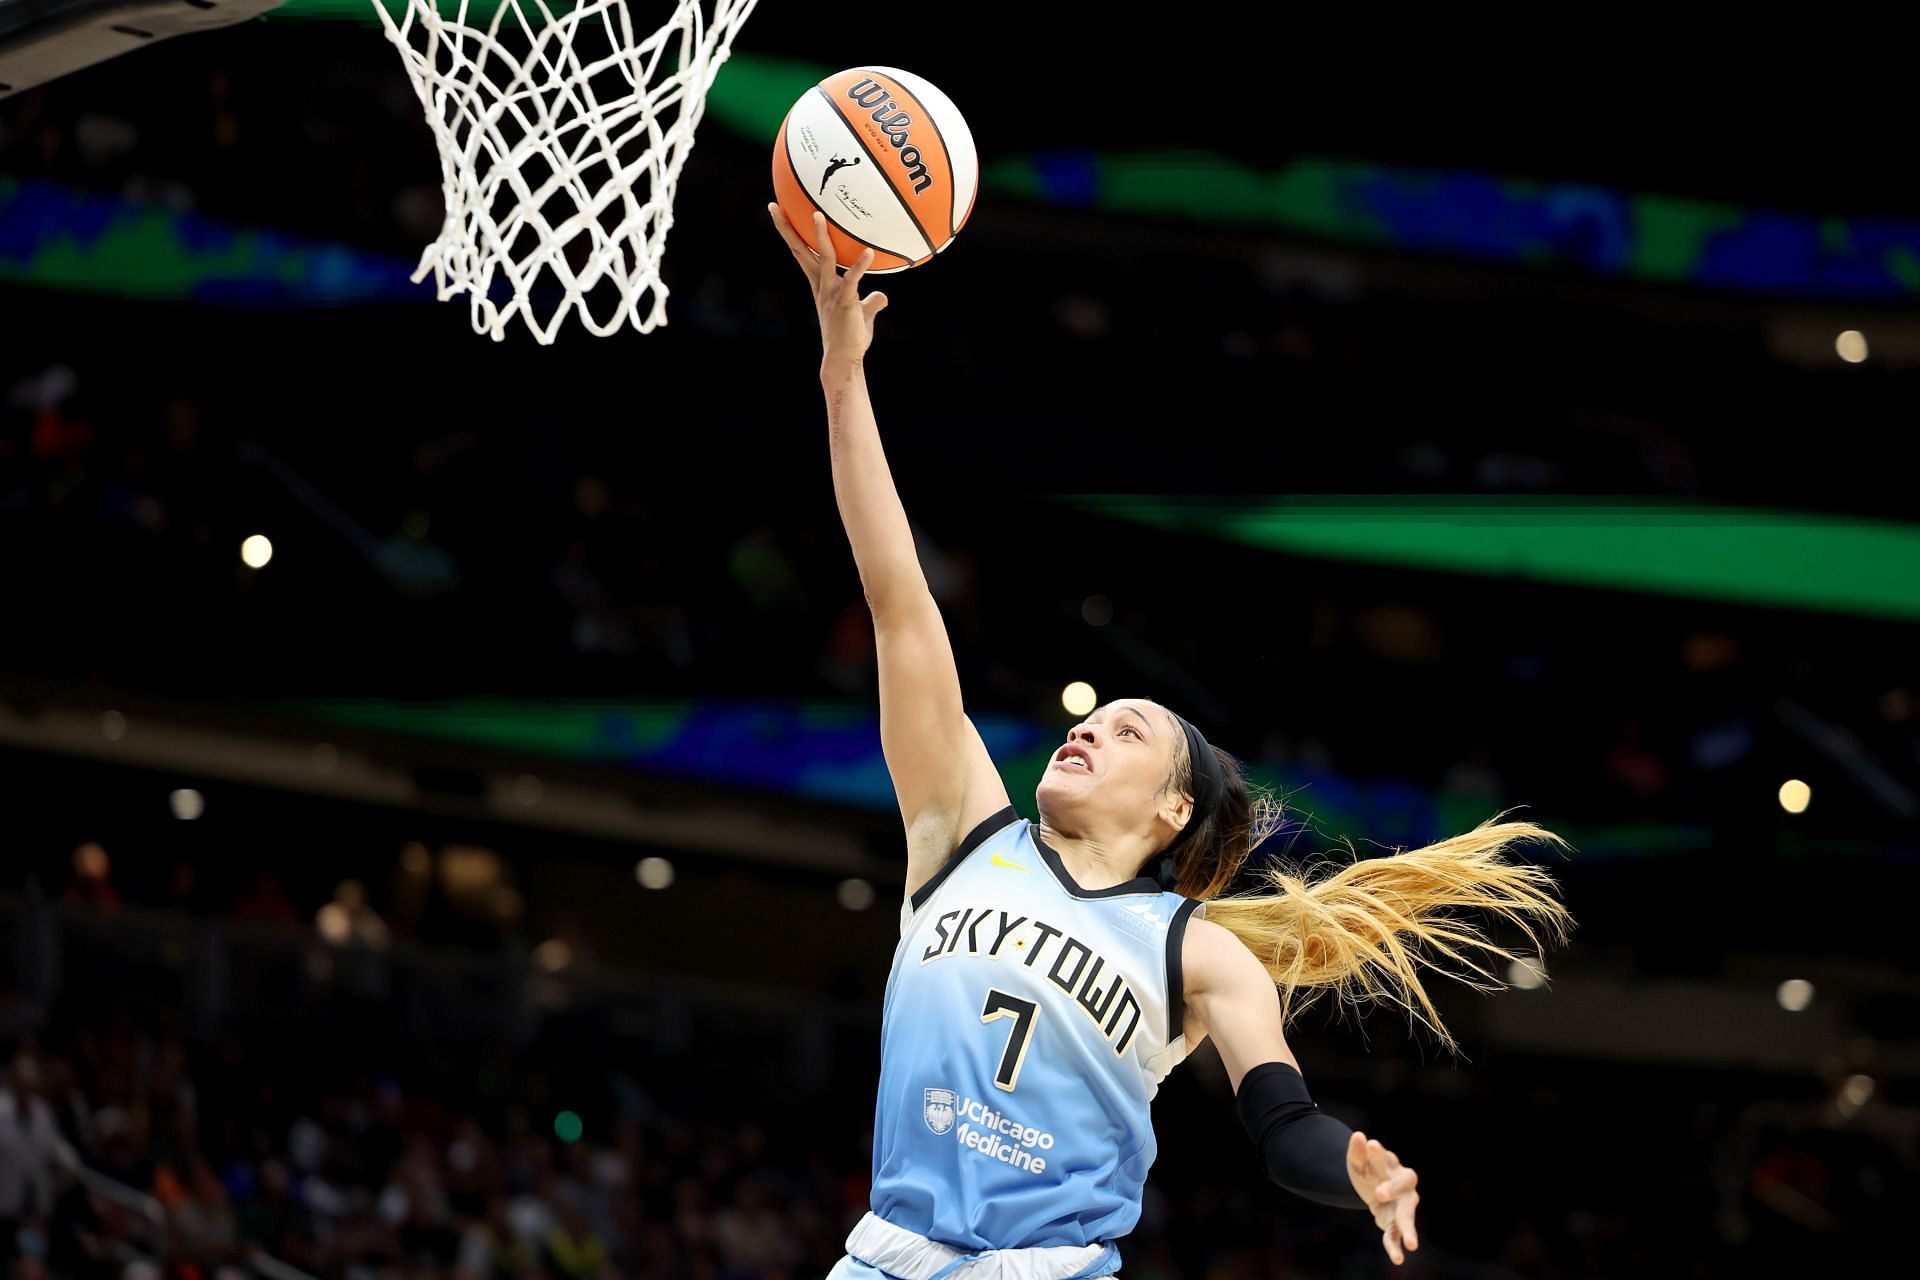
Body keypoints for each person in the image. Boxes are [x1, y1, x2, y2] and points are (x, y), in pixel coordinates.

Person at [768, 205, 1572, 1278]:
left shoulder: (1198, 948)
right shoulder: (962, 828)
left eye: (1126, 728)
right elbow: (900, 600)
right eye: (1086, 719)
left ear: (1174, 807)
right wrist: (840, 376)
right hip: (883, 1257)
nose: (1087, 728)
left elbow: (1282, 1123)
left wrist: (1357, 1168)